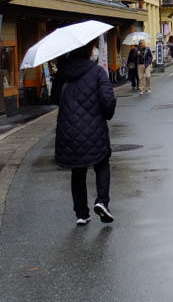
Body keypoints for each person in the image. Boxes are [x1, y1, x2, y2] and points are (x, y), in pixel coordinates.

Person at [52, 41, 116, 225]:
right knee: (102, 163)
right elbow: (107, 101)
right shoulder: (97, 72)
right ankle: (102, 202)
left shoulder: (62, 74)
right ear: (89, 50)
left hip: (68, 130)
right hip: (94, 128)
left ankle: (81, 213)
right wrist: (107, 114)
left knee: (77, 169)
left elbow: (54, 98)